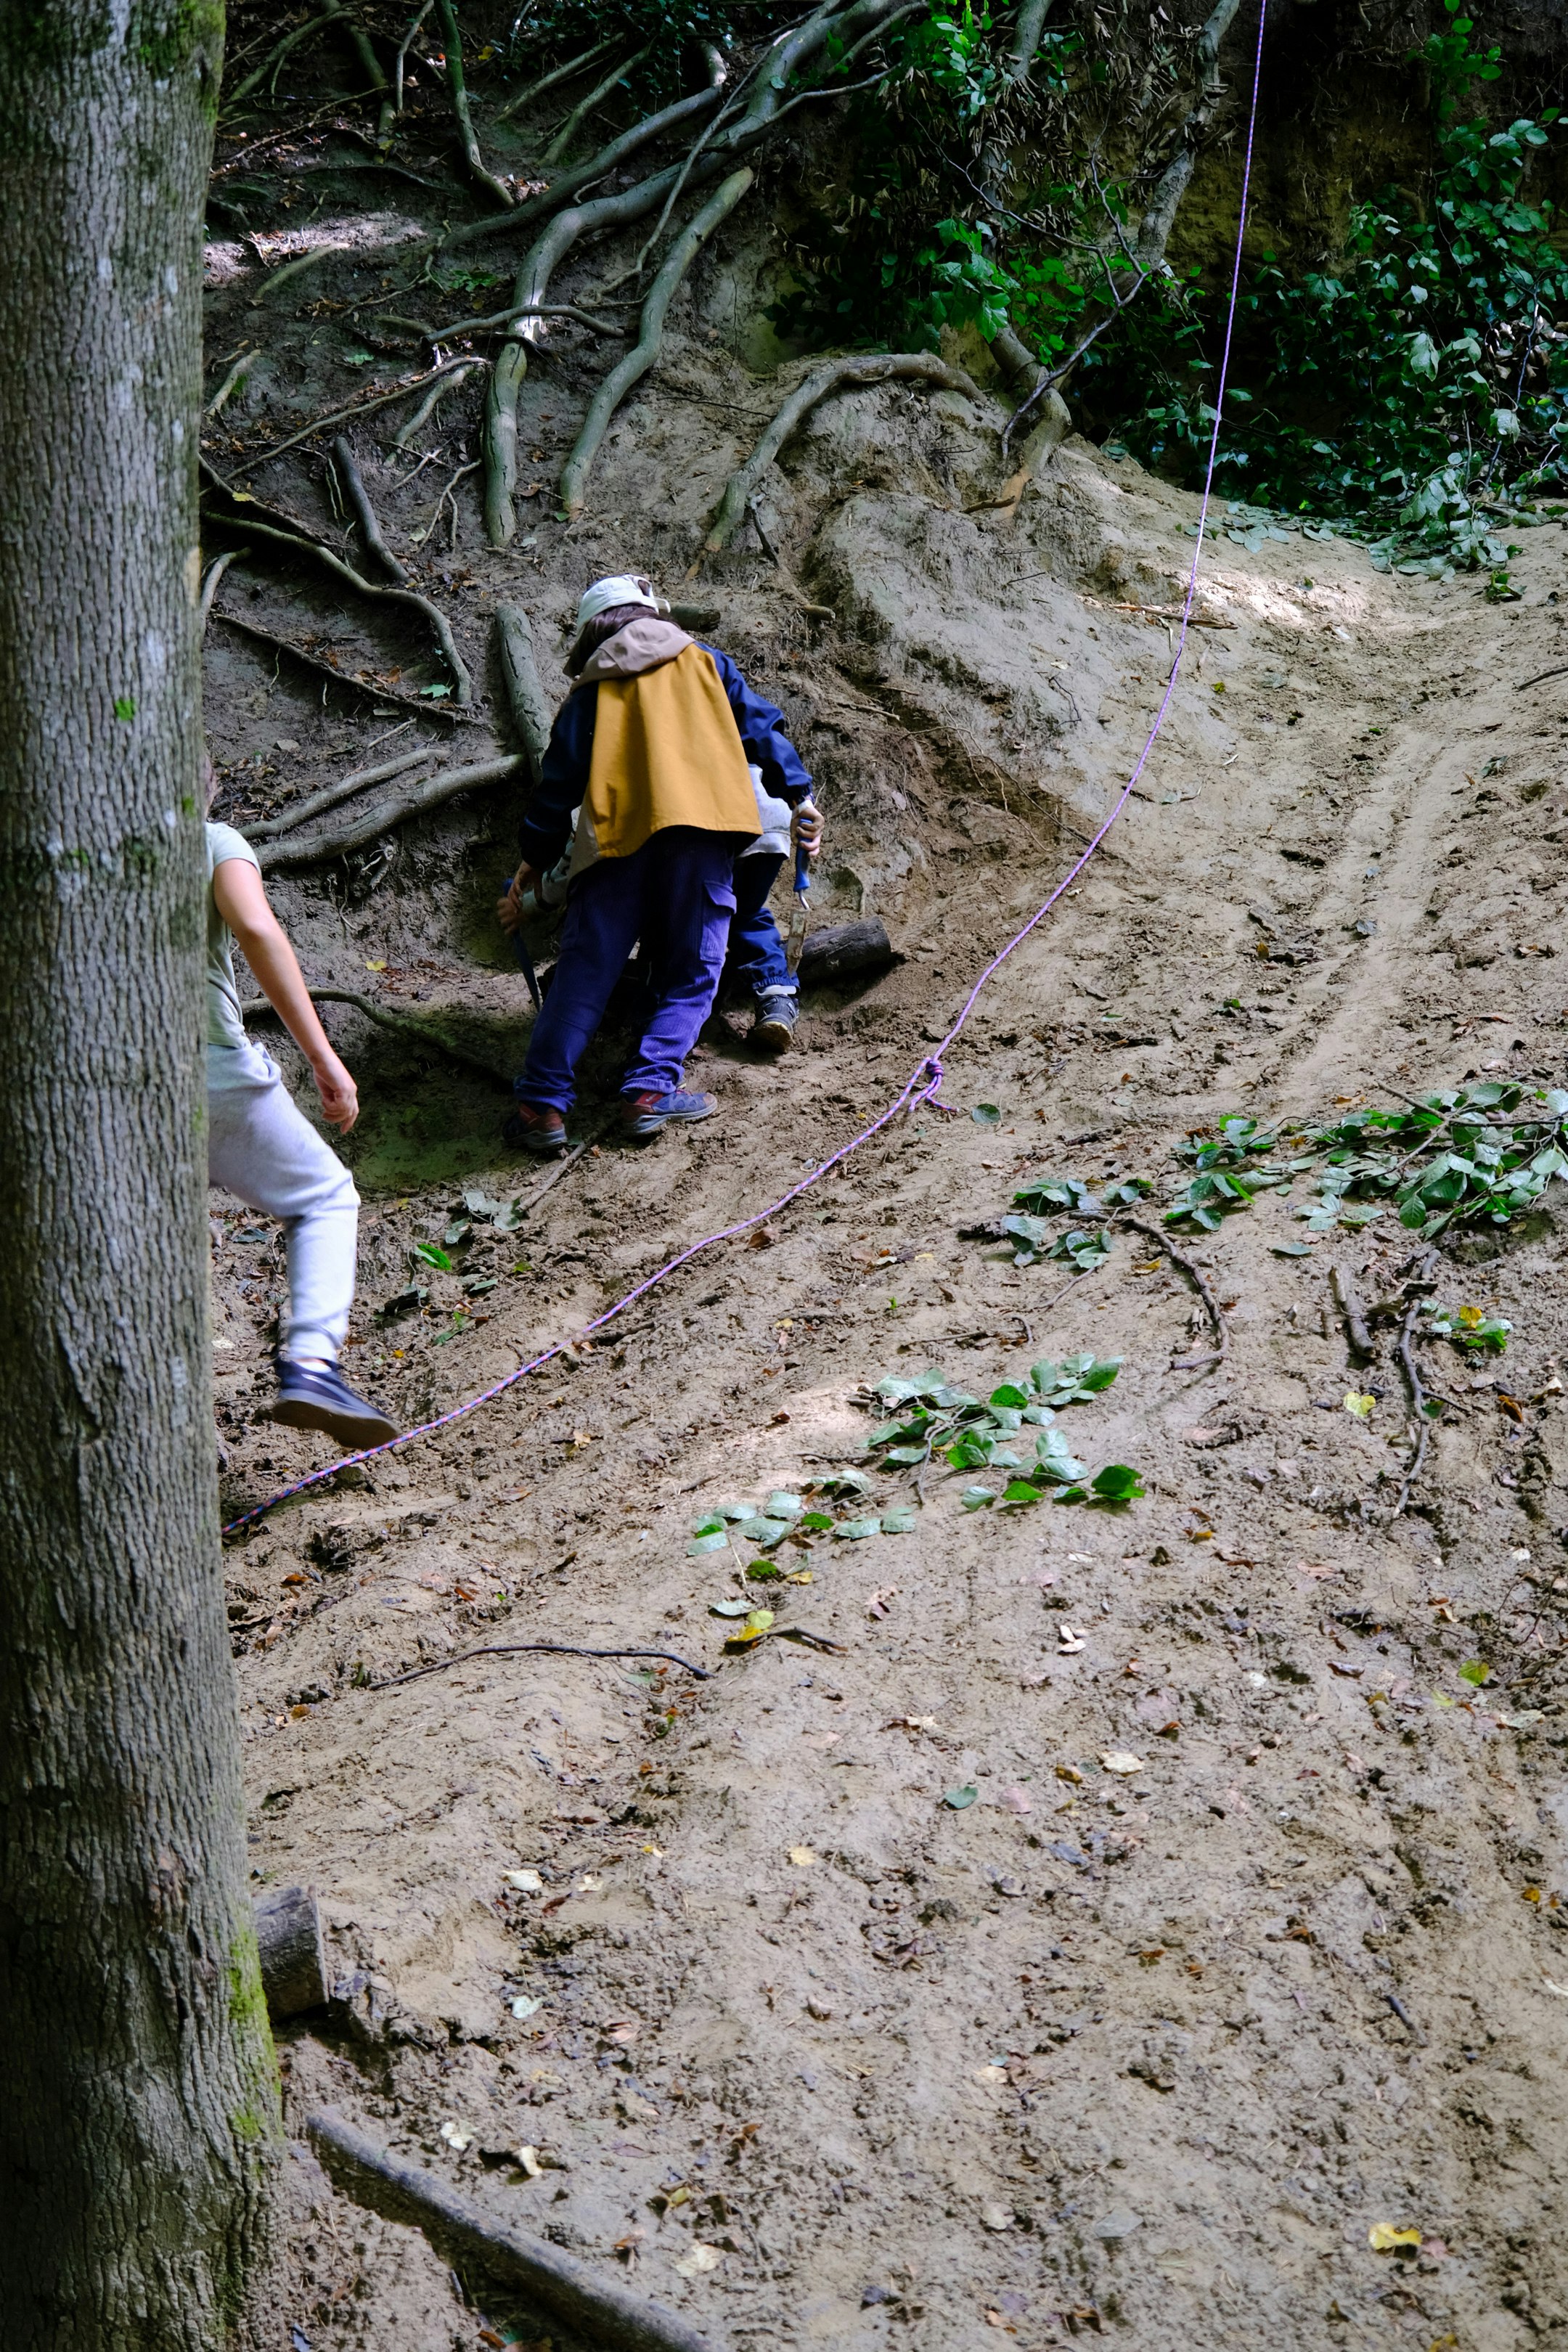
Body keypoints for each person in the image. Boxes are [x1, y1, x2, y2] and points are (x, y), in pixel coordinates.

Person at [497, 574, 820, 1155]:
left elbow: (558, 787)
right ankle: (648, 1093)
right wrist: (800, 797)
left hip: (611, 850)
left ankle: (541, 1107)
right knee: (693, 974)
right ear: (651, 615)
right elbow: (762, 731)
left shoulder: (590, 690)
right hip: (702, 840)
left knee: (583, 977)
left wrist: (532, 859)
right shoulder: (708, 664)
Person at [205, 770, 398, 1447]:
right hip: (207, 1075)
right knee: (324, 1196)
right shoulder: (211, 842)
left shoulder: (82, 855)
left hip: (103, 1086)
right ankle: (312, 1363)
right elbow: (256, 927)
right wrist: (323, 1059)